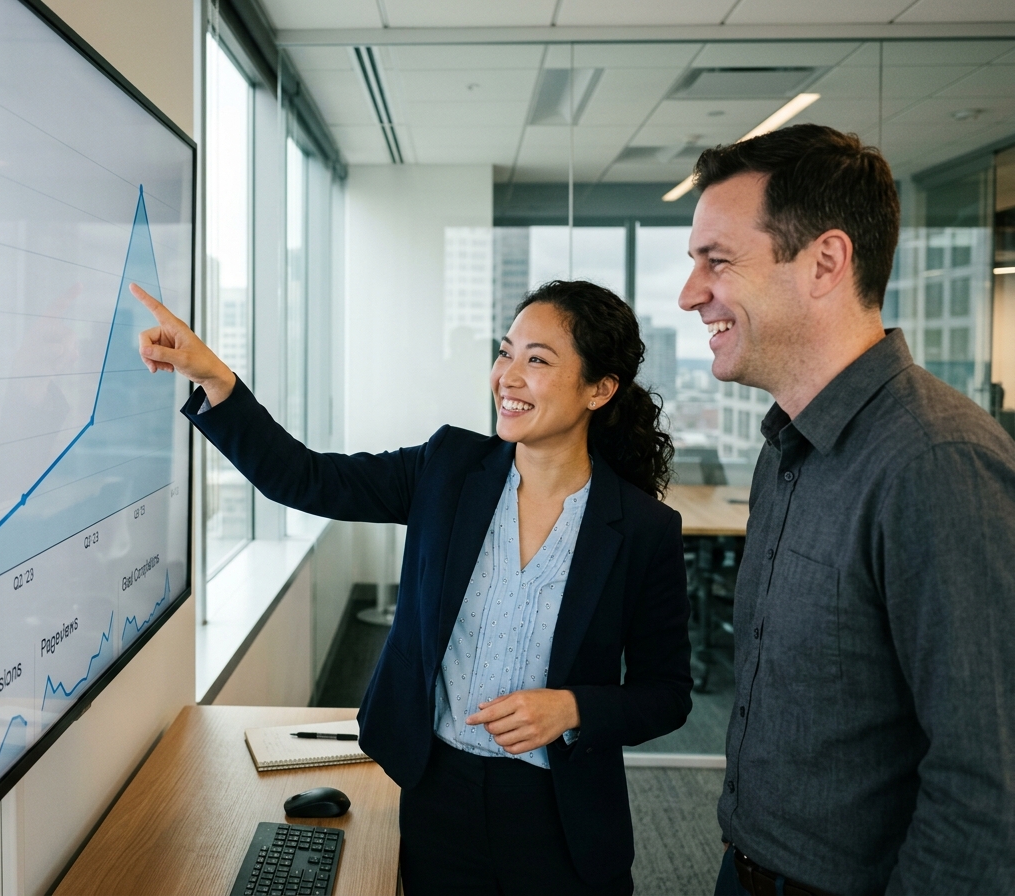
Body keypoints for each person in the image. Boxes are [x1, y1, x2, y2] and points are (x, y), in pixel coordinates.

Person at [131, 278, 692, 894]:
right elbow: (307, 479)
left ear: (599, 389)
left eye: (537, 361)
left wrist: (573, 708)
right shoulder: (448, 468)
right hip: (438, 793)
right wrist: (215, 379)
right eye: (505, 352)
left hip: (561, 813)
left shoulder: (643, 529)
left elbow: (666, 693)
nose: (507, 376)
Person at [677, 123, 1015, 895]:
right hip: (748, 867)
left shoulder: (937, 463)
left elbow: (990, 786)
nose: (690, 293)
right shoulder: (786, 448)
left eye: (717, 261)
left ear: (825, 262)